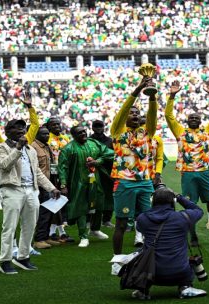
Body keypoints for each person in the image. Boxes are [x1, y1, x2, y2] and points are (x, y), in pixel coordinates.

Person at [166, 79, 209, 246]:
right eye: (191, 117)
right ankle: (192, 236)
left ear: (201, 121)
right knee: (190, 205)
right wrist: (172, 96)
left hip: (206, 173)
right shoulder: (180, 131)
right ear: (187, 121)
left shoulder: (208, 131)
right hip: (188, 173)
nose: (194, 119)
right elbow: (169, 116)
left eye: (196, 117)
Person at [0, 119, 60, 274]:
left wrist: (52, 188)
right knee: (9, 227)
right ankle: (5, 260)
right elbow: (4, 165)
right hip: (12, 190)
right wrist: (17, 148)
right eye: (17, 128)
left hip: (31, 190)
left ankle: (23, 257)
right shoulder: (0, 147)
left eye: (23, 128)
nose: (21, 131)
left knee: (29, 226)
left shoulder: (30, 149)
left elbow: (37, 172)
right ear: (7, 131)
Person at [110, 77, 157, 275]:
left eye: (138, 113)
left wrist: (152, 97)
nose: (135, 115)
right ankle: (117, 260)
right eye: (132, 113)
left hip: (145, 182)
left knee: (147, 221)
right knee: (121, 222)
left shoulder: (147, 133)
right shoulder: (117, 130)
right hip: (125, 182)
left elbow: (153, 115)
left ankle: (147, 257)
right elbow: (123, 109)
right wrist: (138, 89)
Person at [133, 185, 207, 300]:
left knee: (139, 253)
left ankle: (143, 289)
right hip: (179, 272)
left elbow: (142, 227)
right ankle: (185, 286)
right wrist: (179, 197)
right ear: (173, 201)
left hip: (151, 274)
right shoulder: (184, 217)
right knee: (189, 260)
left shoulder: (143, 218)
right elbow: (198, 210)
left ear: (152, 200)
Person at [58, 125, 115, 247]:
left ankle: (95, 229)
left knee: (100, 204)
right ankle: (83, 236)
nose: (83, 133)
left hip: (96, 181)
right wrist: (63, 184)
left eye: (84, 131)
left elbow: (111, 154)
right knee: (81, 208)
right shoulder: (68, 149)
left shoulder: (94, 143)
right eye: (79, 132)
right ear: (73, 135)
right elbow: (62, 168)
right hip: (78, 182)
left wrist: (98, 161)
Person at [31, 127, 62, 249]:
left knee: (49, 212)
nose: (46, 136)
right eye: (43, 134)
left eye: (47, 134)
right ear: (36, 134)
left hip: (50, 183)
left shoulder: (47, 146)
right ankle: (39, 239)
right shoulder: (33, 147)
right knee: (43, 213)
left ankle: (46, 237)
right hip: (40, 185)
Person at [46, 117, 74, 244]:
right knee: (54, 201)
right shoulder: (47, 138)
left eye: (58, 123)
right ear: (48, 126)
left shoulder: (66, 138)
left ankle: (55, 231)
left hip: (64, 173)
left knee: (61, 203)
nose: (57, 126)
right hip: (51, 175)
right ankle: (56, 232)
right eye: (53, 124)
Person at [89, 119, 115, 228]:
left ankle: (107, 219)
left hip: (108, 173)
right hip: (93, 172)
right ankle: (92, 220)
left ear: (104, 127)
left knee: (109, 196)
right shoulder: (88, 140)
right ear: (92, 128)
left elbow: (114, 156)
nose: (98, 128)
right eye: (96, 126)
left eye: (100, 126)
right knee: (93, 196)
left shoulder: (110, 141)